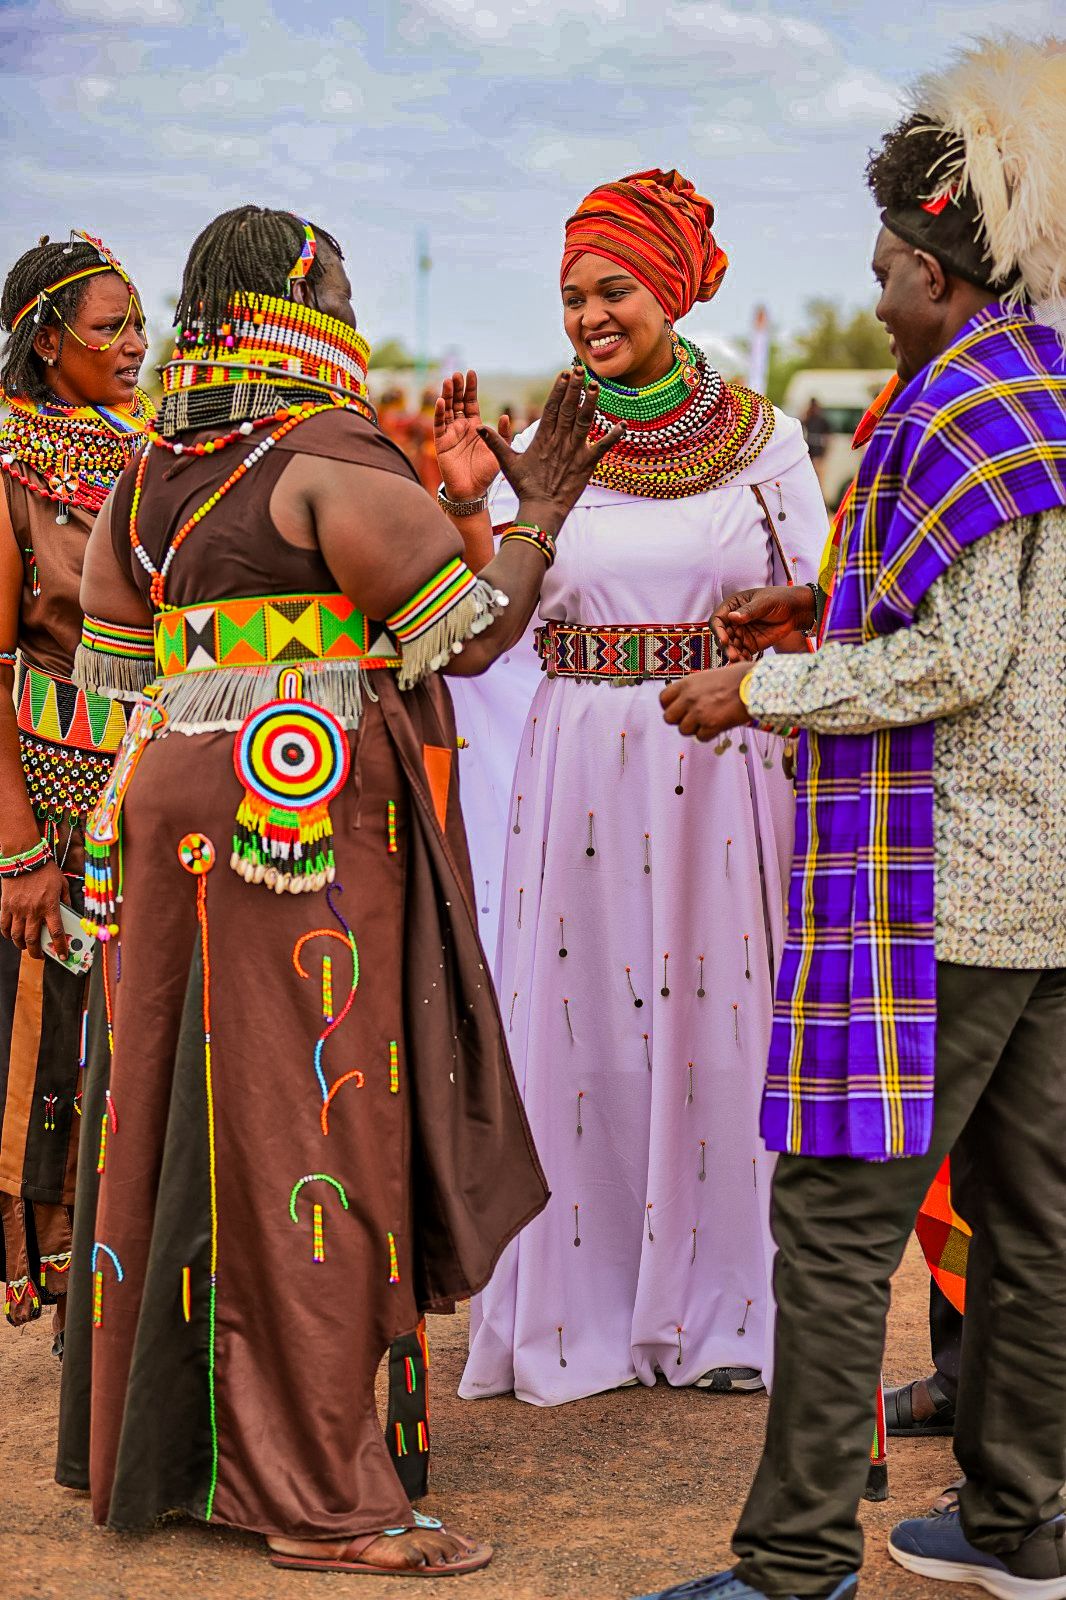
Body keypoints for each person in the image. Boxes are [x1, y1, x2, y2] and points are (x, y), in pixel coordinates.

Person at [54, 207, 620, 1575]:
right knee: (312, 1125)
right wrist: (531, 502)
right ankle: (321, 1494)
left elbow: (111, 663)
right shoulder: (325, 451)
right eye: (348, 288)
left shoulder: (152, 476)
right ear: (303, 298)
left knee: (189, 1120)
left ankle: (181, 1449)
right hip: (290, 817)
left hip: (177, 797)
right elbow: (470, 639)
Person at [634, 35, 1066, 1600]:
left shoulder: (953, 415)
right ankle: (1025, 1528)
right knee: (1033, 1217)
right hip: (1046, 893)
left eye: (886, 264)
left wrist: (754, 693)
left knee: (829, 1223)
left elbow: (957, 659)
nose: (874, 289)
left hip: (940, 887)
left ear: (944, 275)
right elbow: (1006, 618)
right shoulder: (1039, 393)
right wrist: (815, 604)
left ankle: (793, 1564)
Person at [434, 169, 826, 1408]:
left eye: (613, 289)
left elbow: (815, 592)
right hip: (585, 771)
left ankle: (718, 1307)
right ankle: (587, 1306)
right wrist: (462, 500)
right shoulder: (549, 439)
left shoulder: (762, 436)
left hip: (721, 764)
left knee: (722, 1026)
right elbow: (493, 610)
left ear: (672, 285)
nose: (590, 316)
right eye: (571, 296)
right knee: (586, 1027)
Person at [0, 232, 150, 1344]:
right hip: (49, 794)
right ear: (46, 339)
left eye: (142, 324)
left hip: (150, 786)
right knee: (59, 1042)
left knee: (140, 1033)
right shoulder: (8, 467)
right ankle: (64, 1279)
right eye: (112, 328)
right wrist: (16, 846)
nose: (137, 344)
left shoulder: (151, 448)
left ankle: (128, 1274)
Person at [801, 398, 829, 495]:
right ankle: (817, 493)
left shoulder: (808, 418)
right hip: (816, 450)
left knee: (812, 474)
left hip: (811, 450)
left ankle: (815, 493)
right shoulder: (815, 419)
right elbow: (827, 438)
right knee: (817, 474)